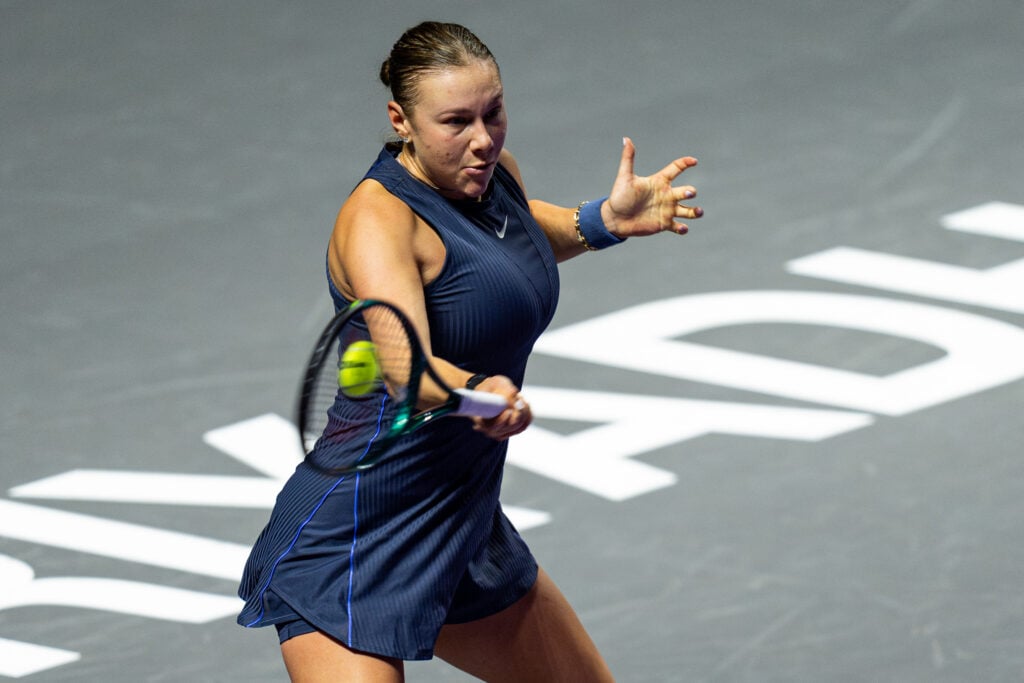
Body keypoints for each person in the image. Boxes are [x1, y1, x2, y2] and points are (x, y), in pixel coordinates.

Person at [237, 21, 703, 682]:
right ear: (401, 120)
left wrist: (603, 221)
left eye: (493, 113)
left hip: (464, 520)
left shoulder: (492, 176)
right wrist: (480, 393)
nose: (483, 139)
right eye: (456, 122)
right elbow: (405, 368)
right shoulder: (378, 220)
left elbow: (509, 244)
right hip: (357, 533)